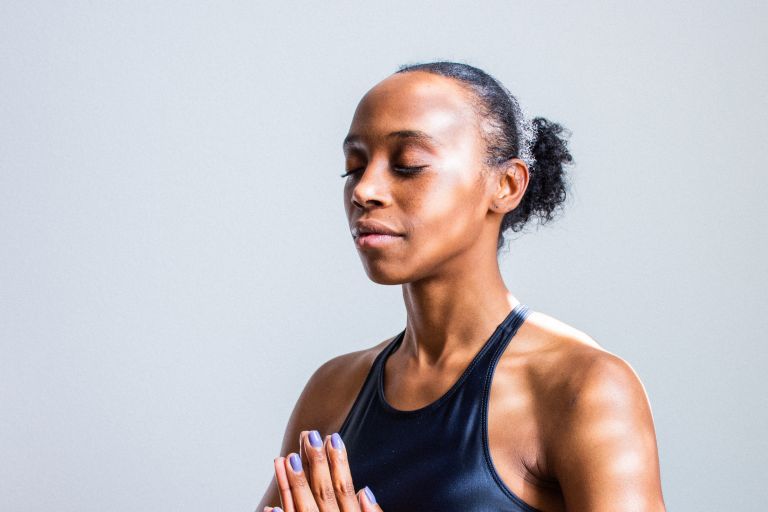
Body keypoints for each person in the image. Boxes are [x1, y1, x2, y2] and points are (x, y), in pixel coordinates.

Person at [256, 61, 666, 511]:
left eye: (408, 165)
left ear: (507, 185)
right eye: (353, 167)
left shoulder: (582, 388)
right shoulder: (333, 390)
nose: (364, 190)